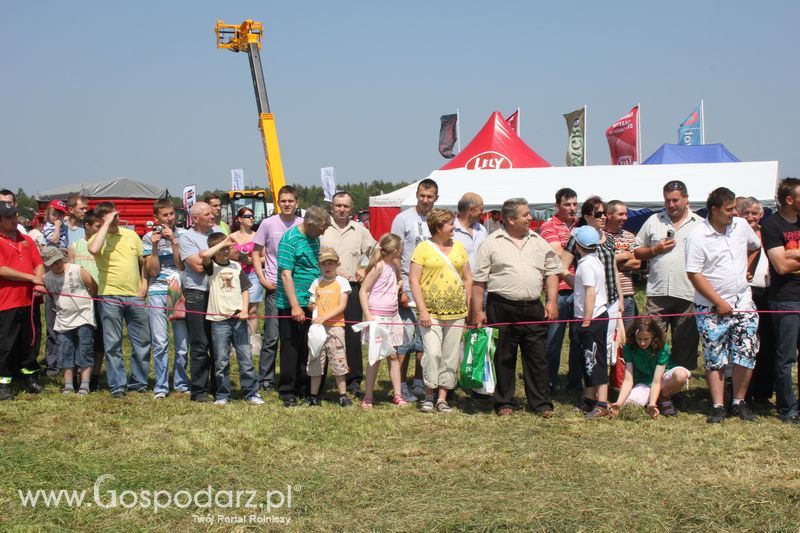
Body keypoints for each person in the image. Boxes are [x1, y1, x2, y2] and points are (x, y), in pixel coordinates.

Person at [472, 198, 561, 417]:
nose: (530, 217)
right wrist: (478, 311)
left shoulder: (538, 241)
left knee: (537, 357)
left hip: (533, 307)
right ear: (511, 219)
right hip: (501, 306)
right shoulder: (491, 243)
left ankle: (541, 403)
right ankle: (504, 402)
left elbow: (552, 272)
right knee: (503, 356)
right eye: (525, 214)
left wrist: (551, 301)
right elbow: (479, 281)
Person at [686, 187, 761, 423]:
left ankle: (739, 402)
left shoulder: (741, 226)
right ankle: (718, 406)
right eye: (729, 209)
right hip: (710, 308)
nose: (734, 213)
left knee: (746, 352)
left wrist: (748, 269)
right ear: (714, 209)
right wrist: (718, 302)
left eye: (734, 208)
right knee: (714, 357)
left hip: (743, 302)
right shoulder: (698, 236)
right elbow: (694, 274)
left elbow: (755, 246)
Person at [634, 180, 701, 371]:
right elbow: (637, 251)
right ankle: (649, 380)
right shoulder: (654, 220)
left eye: (675, 200)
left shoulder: (700, 225)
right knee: (651, 340)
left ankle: (679, 382)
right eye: (667, 200)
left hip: (688, 293)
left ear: (686, 199)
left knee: (685, 344)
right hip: (658, 293)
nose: (671, 205)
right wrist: (654, 250)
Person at [409, 208, 472, 413]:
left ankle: (442, 398)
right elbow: (414, 280)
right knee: (432, 353)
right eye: (450, 224)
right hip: (430, 312)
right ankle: (429, 394)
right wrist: (422, 311)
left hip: (457, 312)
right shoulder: (423, 248)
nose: (454, 227)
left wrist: (468, 306)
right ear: (438, 227)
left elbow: (468, 278)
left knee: (450, 355)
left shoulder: (459, 247)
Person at [89, 201, 151, 398]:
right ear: (101, 219)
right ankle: (117, 385)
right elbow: (93, 250)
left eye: (115, 215)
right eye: (109, 216)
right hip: (109, 295)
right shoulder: (97, 238)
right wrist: (106, 224)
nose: (115, 219)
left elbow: (143, 262)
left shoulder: (131, 235)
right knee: (112, 343)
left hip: (135, 295)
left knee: (142, 341)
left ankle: (138, 383)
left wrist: (144, 284)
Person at [562, 197, 624, 389]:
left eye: (605, 213)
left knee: (606, 346)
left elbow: (613, 270)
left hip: (611, 299)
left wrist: (620, 298)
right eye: (598, 214)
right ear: (587, 216)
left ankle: (601, 388)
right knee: (588, 346)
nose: (604, 217)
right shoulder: (577, 239)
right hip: (591, 304)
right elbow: (562, 267)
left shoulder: (610, 239)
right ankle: (586, 386)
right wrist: (578, 286)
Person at [320, 191, 376, 398]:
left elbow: (376, 251)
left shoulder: (360, 230)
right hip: (326, 288)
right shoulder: (322, 230)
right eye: (338, 205)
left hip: (351, 288)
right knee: (324, 333)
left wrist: (365, 268)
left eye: (345, 206)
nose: (341, 209)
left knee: (353, 335)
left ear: (351, 209)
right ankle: (320, 380)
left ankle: (354, 381)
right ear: (332, 207)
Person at [275, 206, 329, 407]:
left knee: (311, 345)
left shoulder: (315, 238)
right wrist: (295, 306)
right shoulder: (289, 240)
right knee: (291, 347)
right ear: (309, 223)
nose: (323, 233)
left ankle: (307, 388)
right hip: (292, 302)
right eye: (322, 228)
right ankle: (288, 390)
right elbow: (285, 274)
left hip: (313, 301)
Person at [201, 233, 263, 405]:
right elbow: (204, 255)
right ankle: (222, 395)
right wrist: (223, 243)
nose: (227, 251)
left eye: (228, 248)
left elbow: (245, 290)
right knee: (221, 361)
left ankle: (252, 393)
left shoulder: (236, 266)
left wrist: (244, 309)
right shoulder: (211, 266)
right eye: (223, 248)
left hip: (238, 319)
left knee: (246, 358)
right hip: (219, 320)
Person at [391, 178, 438, 402]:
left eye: (430, 196)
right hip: (408, 286)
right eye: (422, 196)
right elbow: (395, 254)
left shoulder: (438, 220)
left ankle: (419, 381)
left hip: (432, 287)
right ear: (417, 195)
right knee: (405, 339)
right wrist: (400, 286)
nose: (425, 200)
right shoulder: (403, 219)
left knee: (425, 338)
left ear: (436, 198)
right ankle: (400, 385)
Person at [251, 185, 301, 394]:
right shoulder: (268, 224)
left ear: (297, 203)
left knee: (294, 337)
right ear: (278, 203)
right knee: (272, 337)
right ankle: (266, 379)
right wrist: (262, 278)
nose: (287, 204)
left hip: (297, 289)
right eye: (283, 201)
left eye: (290, 201)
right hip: (274, 287)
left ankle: (294, 377)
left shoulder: (302, 224)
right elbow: (255, 253)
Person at [761, 178, 800, 424]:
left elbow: (789, 261)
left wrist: (797, 254)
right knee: (786, 358)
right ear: (789, 199)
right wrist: (791, 258)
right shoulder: (772, 225)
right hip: (786, 299)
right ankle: (788, 409)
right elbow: (782, 266)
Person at [142, 198, 188, 398]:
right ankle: (161, 386)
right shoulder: (147, 237)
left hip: (177, 289)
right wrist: (154, 247)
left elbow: (181, 266)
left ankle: (181, 382)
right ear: (156, 217)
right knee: (160, 342)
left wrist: (173, 242)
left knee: (182, 343)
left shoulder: (183, 235)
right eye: (165, 215)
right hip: (156, 291)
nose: (170, 218)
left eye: (172, 214)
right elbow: (152, 271)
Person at [0, 200, 44, 400]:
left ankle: (30, 376)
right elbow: (2, 269)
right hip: (7, 301)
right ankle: (4, 383)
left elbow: (38, 264)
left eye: (14, 215)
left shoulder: (26, 240)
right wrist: (30, 278)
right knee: (6, 343)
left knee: (31, 341)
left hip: (30, 300)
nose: (13, 220)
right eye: (8, 217)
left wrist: (38, 282)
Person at [179, 201, 222, 402]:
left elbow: (231, 257)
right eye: (207, 214)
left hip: (218, 293)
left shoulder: (219, 232)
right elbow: (197, 266)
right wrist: (218, 257)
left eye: (212, 212)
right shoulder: (187, 237)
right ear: (195, 219)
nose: (212, 216)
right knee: (200, 343)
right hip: (197, 294)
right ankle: (199, 390)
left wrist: (209, 257)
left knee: (218, 342)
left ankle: (219, 386)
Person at [359, 233, 406, 409]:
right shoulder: (378, 266)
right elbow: (363, 290)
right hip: (378, 316)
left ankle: (397, 394)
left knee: (393, 356)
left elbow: (396, 281)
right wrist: (368, 314)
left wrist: (398, 285)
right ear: (395, 251)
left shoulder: (394, 266)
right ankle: (368, 396)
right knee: (375, 357)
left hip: (392, 316)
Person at [538, 187, 579, 392]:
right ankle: (548, 382)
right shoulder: (548, 226)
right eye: (567, 204)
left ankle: (575, 383)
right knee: (553, 340)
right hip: (559, 289)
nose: (572, 208)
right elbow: (557, 254)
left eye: (574, 204)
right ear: (557, 206)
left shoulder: (582, 225)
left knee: (579, 339)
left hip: (581, 290)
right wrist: (583, 253)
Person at [42, 246, 97, 395]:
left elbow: (93, 286)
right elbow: (51, 296)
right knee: (65, 351)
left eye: (58, 261)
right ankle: (68, 385)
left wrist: (89, 301)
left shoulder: (77, 269)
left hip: (83, 316)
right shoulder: (46, 278)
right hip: (63, 319)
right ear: (47, 265)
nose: (57, 265)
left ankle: (85, 384)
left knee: (85, 349)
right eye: (53, 263)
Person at [611, 318, 690, 418]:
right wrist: (619, 403)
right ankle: (654, 398)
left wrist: (652, 403)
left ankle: (664, 397)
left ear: (653, 335)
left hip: (663, 380)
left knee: (681, 375)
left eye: (646, 339)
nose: (642, 343)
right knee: (630, 405)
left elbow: (657, 381)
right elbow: (628, 379)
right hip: (644, 382)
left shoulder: (662, 348)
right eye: (639, 339)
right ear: (634, 336)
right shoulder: (629, 348)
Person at [571, 226, 611, 419]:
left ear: (578, 245)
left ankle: (602, 402)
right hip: (596, 316)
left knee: (595, 360)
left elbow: (590, 293)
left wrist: (586, 320)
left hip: (592, 318)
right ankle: (588, 400)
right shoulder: (594, 260)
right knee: (588, 360)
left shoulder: (586, 265)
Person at [306, 247, 352, 407]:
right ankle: (313, 396)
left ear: (337, 264)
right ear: (319, 265)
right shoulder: (316, 282)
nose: (328, 267)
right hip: (318, 329)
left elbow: (342, 306)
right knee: (315, 359)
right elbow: (312, 301)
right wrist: (311, 306)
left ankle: (342, 395)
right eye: (324, 264)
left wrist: (324, 317)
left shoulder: (342, 282)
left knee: (338, 359)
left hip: (335, 328)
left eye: (331, 263)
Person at [68, 211, 104, 391]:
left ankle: (95, 376)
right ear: (87, 226)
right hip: (80, 299)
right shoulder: (75, 246)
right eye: (98, 226)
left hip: (100, 297)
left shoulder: (103, 244)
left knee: (99, 339)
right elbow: (70, 272)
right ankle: (76, 375)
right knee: (79, 338)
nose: (100, 230)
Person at [742, 198, 773, 406]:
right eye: (747, 213)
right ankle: (744, 393)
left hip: (769, 293)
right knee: (747, 344)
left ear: (761, 214)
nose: (751, 217)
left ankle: (763, 392)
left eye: (754, 213)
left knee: (768, 343)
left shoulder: (769, 232)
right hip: (746, 292)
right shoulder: (737, 233)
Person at [229, 207, 261, 354]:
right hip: (236, 275)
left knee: (252, 309)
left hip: (253, 274)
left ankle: (251, 342)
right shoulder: (231, 237)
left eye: (252, 216)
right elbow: (225, 254)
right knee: (237, 308)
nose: (251, 218)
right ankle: (237, 342)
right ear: (239, 219)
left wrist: (251, 260)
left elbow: (265, 257)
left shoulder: (257, 236)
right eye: (247, 216)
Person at [604, 200, 641, 328]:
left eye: (626, 214)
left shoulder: (629, 236)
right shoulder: (599, 236)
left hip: (627, 295)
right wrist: (624, 255)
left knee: (629, 334)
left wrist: (612, 263)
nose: (625, 218)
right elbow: (598, 262)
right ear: (609, 215)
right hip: (606, 295)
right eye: (621, 214)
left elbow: (637, 263)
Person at [453, 193, 487, 272]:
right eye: (481, 209)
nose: (483, 212)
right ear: (471, 210)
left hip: (480, 279)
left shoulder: (482, 230)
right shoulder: (451, 231)